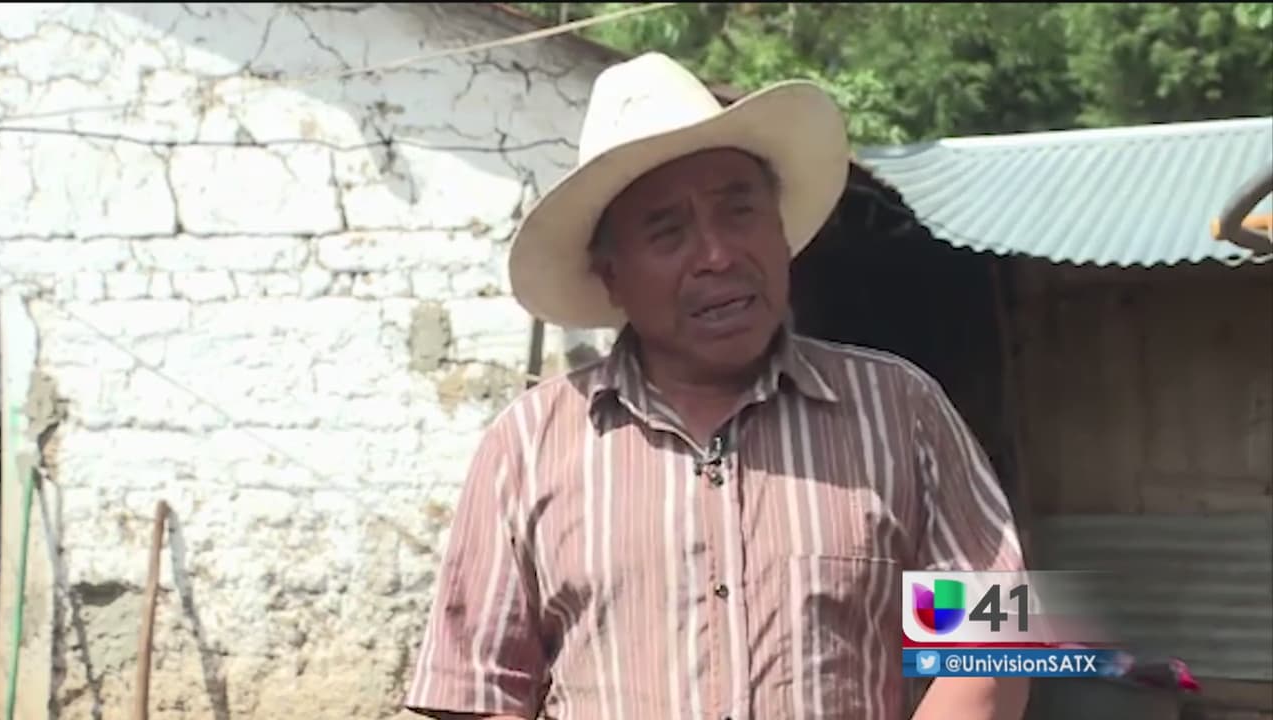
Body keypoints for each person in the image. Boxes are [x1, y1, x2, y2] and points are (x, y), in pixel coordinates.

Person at [402, 52, 1030, 720]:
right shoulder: (527, 446)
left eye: (739, 213)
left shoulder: (899, 412)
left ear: (780, 229)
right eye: (667, 231)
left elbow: (993, 648)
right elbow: (475, 694)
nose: (718, 255)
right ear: (611, 276)